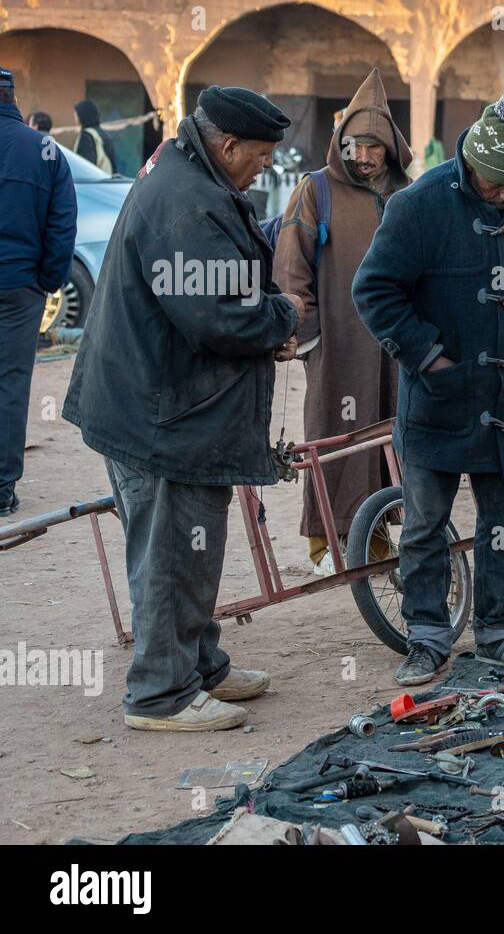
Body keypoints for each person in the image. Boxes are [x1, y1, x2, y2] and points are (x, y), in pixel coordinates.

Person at [63, 86, 305, 732]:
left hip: (177, 409)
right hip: (155, 416)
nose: (263, 169)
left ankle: (198, 665)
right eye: (258, 158)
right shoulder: (183, 199)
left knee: (195, 544)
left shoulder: (195, 176)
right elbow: (217, 313)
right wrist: (281, 317)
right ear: (227, 145)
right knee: (169, 551)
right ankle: (160, 692)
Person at [353, 92, 504, 685]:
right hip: (440, 398)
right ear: (469, 164)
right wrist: (431, 359)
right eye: (494, 186)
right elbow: (374, 291)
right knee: (425, 524)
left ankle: (500, 631)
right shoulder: (419, 205)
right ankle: (426, 636)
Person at [273, 69, 412, 575]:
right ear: (340, 143)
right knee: (335, 437)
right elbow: (292, 264)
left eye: (375, 145)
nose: (364, 155)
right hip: (338, 343)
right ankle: (326, 544)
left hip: (395, 344)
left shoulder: (406, 195)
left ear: (390, 147)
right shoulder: (316, 190)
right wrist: (304, 335)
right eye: (354, 144)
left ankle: (376, 540)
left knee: (390, 437)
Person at [0, 68, 77, 518]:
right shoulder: (45, 150)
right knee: (10, 382)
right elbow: (62, 222)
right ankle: (3, 487)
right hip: (19, 288)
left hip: (22, 282)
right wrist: (46, 280)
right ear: (14, 99)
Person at [73, 99, 117, 175]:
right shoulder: (103, 134)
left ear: (83, 115)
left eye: (76, 113)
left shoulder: (87, 136)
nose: (74, 115)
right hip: (107, 181)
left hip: (93, 182)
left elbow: (85, 166)